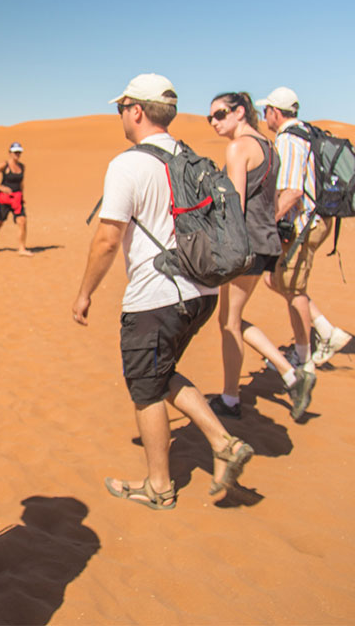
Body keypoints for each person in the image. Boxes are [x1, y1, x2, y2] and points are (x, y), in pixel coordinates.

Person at [72, 73, 253, 510]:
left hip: (157, 297)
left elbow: (108, 238)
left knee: (146, 388)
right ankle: (223, 442)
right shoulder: (191, 158)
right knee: (160, 371)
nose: (120, 115)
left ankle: (159, 487)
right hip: (201, 292)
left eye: (121, 108)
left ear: (136, 110)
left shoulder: (128, 164)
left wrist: (85, 293)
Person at [204, 92, 316, 421]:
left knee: (229, 322)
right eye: (210, 117)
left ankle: (241, 394)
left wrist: (219, 245)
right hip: (265, 241)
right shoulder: (269, 146)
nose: (214, 122)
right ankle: (258, 385)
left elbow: (234, 206)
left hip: (245, 244)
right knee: (231, 320)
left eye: (220, 114)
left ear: (240, 112)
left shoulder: (239, 147)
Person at [258, 87, 353, 382]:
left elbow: (293, 191)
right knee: (277, 280)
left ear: (275, 112)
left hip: (302, 225)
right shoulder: (306, 133)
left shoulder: (288, 139)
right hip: (316, 221)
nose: (264, 117)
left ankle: (303, 357)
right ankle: (326, 332)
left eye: (266, 111)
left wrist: (267, 222)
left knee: (293, 290)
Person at [0, 142, 32, 256]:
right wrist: (0, 186)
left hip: (17, 199)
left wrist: (22, 196)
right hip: (4, 199)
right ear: (10, 153)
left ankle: (21, 248)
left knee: (22, 221)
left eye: (19, 152)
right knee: (0, 222)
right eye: (15, 152)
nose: (17, 154)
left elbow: (21, 183)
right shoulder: (5, 165)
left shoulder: (22, 167)